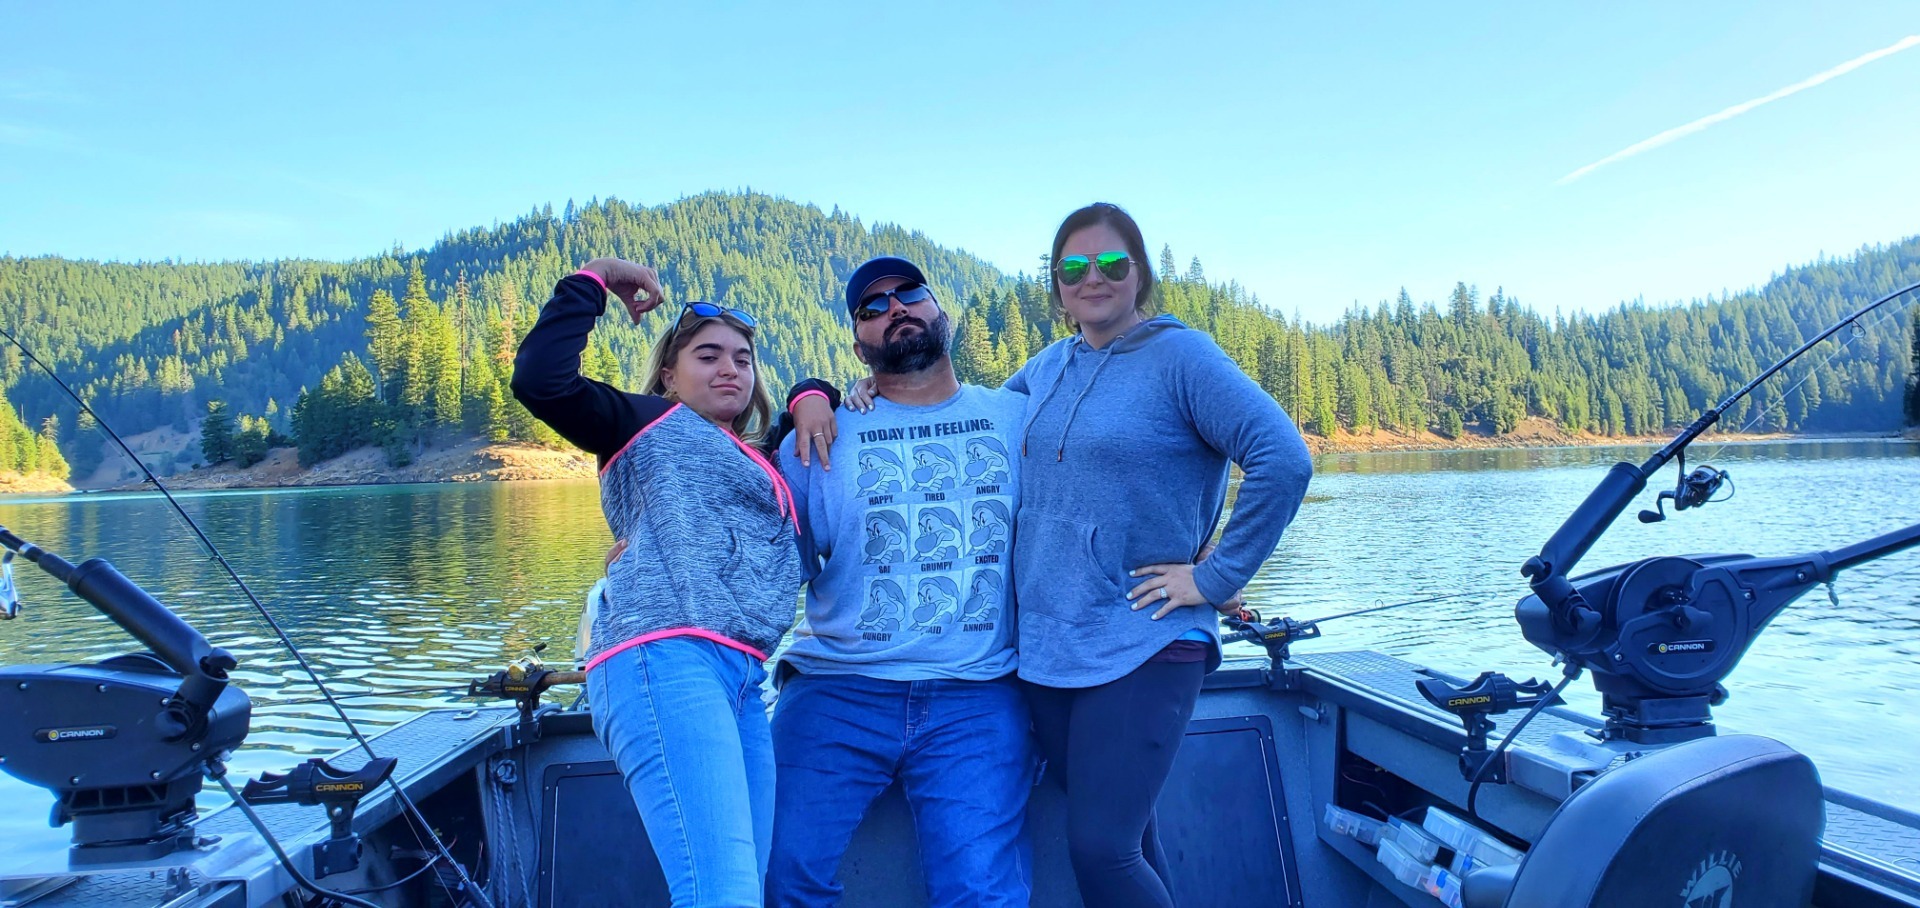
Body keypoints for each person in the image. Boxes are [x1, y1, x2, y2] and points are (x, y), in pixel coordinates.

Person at [1010, 203, 1313, 907]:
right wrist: (847, 395)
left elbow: (1282, 460)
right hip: (1052, 644)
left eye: (1112, 263)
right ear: (1056, 286)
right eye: (1074, 267)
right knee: (1130, 837)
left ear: (1140, 273)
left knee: (1100, 848)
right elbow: (971, 432)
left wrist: (1216, 577)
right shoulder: (1046, 368)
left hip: (1147, 638)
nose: (1094, 278)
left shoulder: (1183, 357)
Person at [511, 257, 826, 907]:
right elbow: (541, 380)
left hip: (742, 680)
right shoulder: (642, 422)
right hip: (663, 659)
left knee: (743, 891)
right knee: (721, 896)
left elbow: (809, 414)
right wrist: (592, 280)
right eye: (707, 356)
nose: (729, 368)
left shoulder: (761, 460)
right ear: (667, 375)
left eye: (743, 358)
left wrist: (810, 393)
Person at [765, 256, 1034, 907]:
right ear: (858, 343)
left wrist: (1207, 565)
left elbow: (1113, 491)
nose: (896, 309)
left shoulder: (1017, 419)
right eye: (872, 307)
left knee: (981, 892)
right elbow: (762, 566)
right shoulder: (818, 436)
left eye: (910, 293)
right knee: (780, 873)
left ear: (941, 311)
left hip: (977, 691)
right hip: (836, 688)